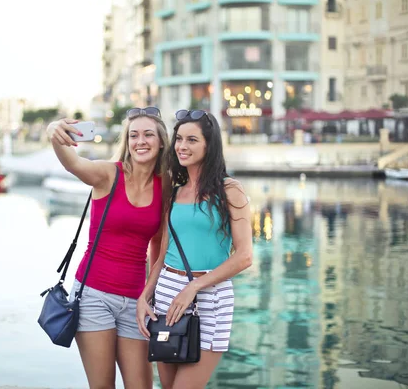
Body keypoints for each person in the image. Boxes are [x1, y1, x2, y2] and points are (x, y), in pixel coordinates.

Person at [46, 107, 170, 389]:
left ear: (161, 141)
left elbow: (158, 246)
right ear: (126, 142)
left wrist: (148, 294)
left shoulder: (166, 187)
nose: (140, 141)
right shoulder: (107, 174)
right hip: (94, 296)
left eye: (148, 134)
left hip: (136, 303)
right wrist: (54, 132)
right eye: (133, 135)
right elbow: (72, 163)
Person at [136, 109, 253, 389]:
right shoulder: (174, 192)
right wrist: (144, 296)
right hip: (165, 298)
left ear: (208, 146)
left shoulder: (230, 190)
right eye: (179, 139)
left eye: (191, 140)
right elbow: (162, 254)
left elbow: (244, 256)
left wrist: (193, 287)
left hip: (209, 299)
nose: (182, 146)